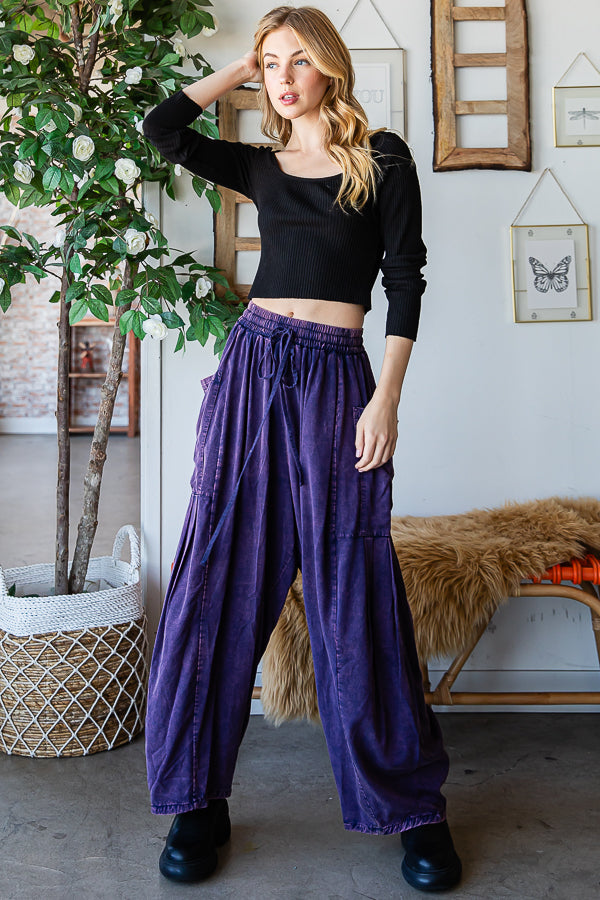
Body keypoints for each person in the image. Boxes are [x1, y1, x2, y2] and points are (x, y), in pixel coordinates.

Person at [142, 5, 462, 893]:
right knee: (219, 579)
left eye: (297, 61)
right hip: (252, 371)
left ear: (330, 67)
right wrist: (238, 70)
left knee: (354, 583)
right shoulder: (258, 164)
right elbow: (162, 129)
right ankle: (197, 802)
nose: (283, 78)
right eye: (270, 64)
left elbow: (405, 280)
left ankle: (411, 807)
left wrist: (385, 398)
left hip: (336, 378)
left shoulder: (383, 160)